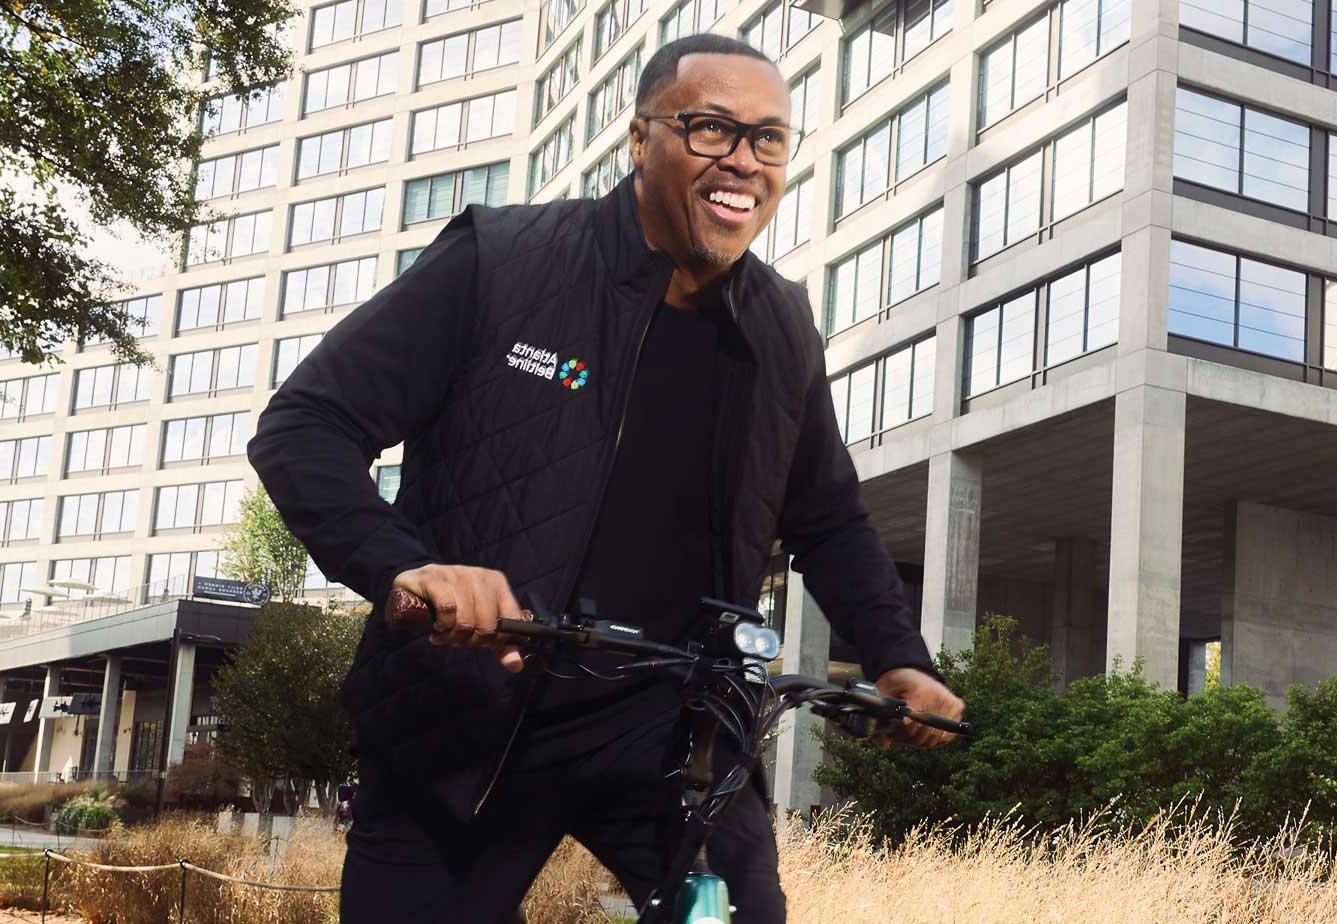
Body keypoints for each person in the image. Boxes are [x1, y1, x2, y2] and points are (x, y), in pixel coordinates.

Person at [246, 33, 964, 924]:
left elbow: (828, 520)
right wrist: (403, 567)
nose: (741, 160)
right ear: (639, 141)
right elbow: (305, 426)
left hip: (677, 725)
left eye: (768, 139)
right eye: (710, 129)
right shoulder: (502, 261)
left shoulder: (781, 327)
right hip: (471, 713)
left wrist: (898, 658)